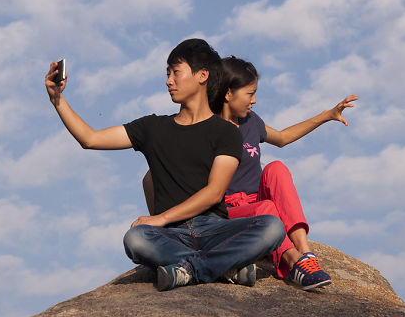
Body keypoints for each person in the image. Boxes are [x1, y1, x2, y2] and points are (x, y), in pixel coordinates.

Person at [46, 39, 285, 292]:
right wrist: (57, 99)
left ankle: (188, 270)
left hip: (214, 229)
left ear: (202, 75)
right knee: (136, 238)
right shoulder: (153, 128)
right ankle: (223, 267)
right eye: (167, 73)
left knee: (272, 226)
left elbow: (215, 192)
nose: (169, 81)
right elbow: (90, 139)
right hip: (171, 235)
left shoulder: (226, 132)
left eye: (175, 72)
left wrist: (160, 218)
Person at [143, 56, 357, 290]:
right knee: (267, 210)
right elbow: (153, 177)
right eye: (249, 93)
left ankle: (306, 256)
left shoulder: (251, 122)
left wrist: (326, 115)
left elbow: (283, 138)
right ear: (228, 94)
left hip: (256, 202)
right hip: (224, 214)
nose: (254, 100)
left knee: (277, 168)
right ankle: (291, 260)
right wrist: (165, 224)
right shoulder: (207, 127)